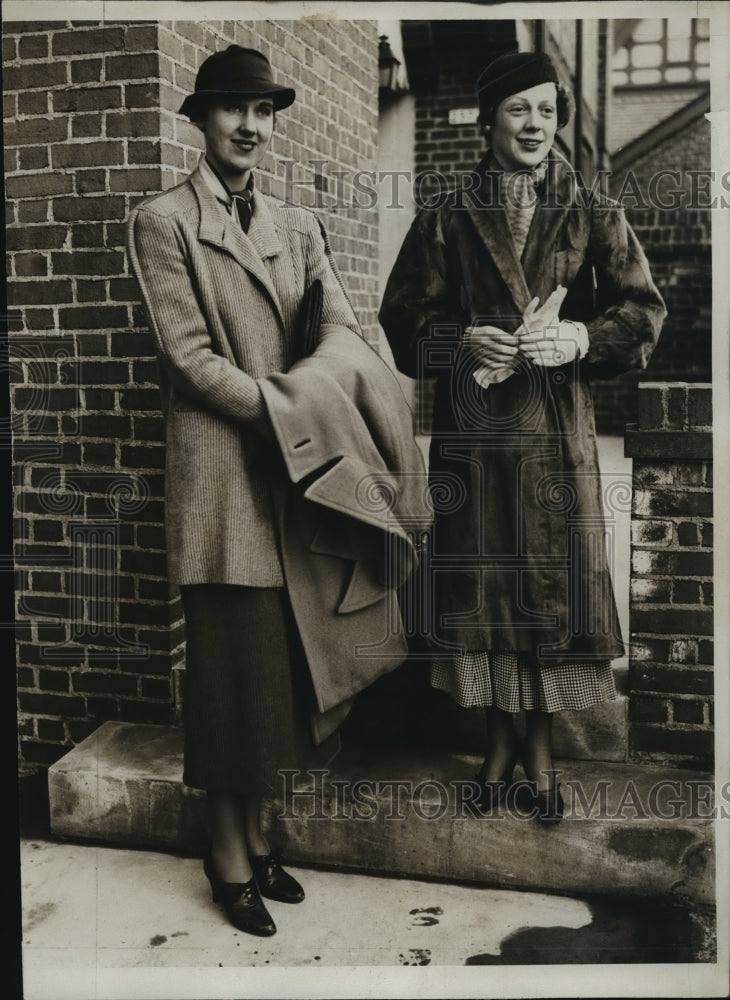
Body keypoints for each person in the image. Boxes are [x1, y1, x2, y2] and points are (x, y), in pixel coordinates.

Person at [127, 45, 428, 936]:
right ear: (200, 118)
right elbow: (189, 361)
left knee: (287, 676)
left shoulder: (296, 223)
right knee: (230, 677)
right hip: (226, 480)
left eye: (263, 110)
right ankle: (225, 857)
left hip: (302, 478)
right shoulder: (162, 220)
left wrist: (318, 393)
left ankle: (261, 838)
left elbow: (339, 321)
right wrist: (296, 409)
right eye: (232, 108)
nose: (250, 126)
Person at [379, 51, 666, 824]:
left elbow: (643, 313)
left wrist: (578, 339)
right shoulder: (446, 213)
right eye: (518, 110)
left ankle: (536, 755)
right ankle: (497, 748)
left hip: (554, 441)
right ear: (489, 119)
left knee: (545, 593)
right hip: (475, 446)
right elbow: (402, 326)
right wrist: (462, 342)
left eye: (546, 110)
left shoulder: (593, 209)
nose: (535, 124)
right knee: (486, 595)